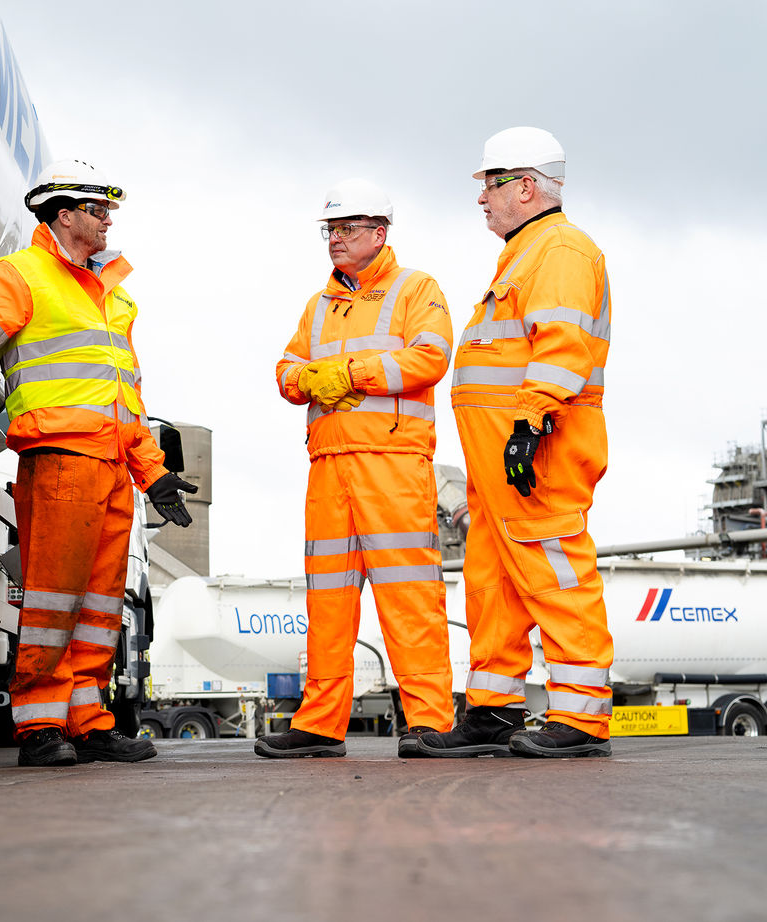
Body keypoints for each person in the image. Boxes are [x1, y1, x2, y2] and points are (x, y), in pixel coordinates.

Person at [0, 159, 196, 767]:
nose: (107, 222)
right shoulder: (24, 275)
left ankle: (90, 721)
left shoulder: (111, 298)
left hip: (113, 468)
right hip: (61, 460)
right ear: (64, 215)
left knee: (99, 607)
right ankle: (39, 725)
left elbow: (128, 399)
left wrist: (155, 473)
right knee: (54, 600)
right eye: (99, 211)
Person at [417, 127, 613, 758]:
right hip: (502, 456)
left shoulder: (560, 250)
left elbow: (562, 346)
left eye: (490, 185)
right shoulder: (527, 254)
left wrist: (529, 424)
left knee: (555, 573)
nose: (482, 199)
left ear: (526, 186)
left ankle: (582, 721)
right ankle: (492, 712)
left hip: (538, 448)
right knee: (494, 583)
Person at [260, 179, 455, 760]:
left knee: (410, 598)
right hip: (329, 468)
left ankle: (431, 721)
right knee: (327, 602)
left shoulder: (415, 287)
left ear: (380, 233)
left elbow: (431, 357)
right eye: (330, 230)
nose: (335, 240)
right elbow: (286, 371)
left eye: (346, 229)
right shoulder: (318, 306)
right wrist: (309, 380)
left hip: (391, 465)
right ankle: (321, 725)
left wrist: (349, 373)